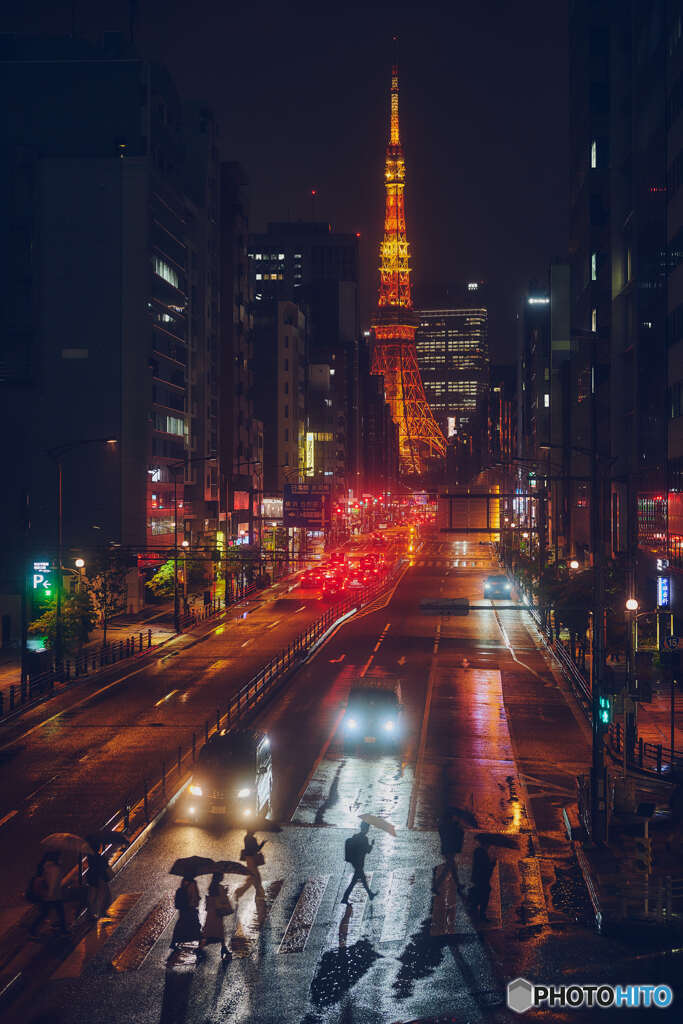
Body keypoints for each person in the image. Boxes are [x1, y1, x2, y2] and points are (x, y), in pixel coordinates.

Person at [29, 854, 68, 936]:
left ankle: (33, 929)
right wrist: (50, 895)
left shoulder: (47, 867)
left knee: (47, 913)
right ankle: (63, 929)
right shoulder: (55, 869)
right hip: (53, 895)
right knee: (56, 913)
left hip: (49, 894)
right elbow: (54, 883)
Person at [341, 822, 377, 903]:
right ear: (366, 829)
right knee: (354, 882)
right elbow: (368, 851)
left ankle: (370, 894)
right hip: (359, 863)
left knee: (360, 880)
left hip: (355, 862)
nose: (368, 830)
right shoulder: (365, 839)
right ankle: (344, 898)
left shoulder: (355, 836)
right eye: (368, 828)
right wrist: (372, 844)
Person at [201, 872, 233, 961]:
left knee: (211, 932)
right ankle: (223, 949)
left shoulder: (211, 887)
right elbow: (222, 899)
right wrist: (226, 892)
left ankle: (223, 948)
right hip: (218, 913)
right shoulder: (220, 888)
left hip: (211, 913)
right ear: (219, 878)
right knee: (218, 932)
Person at [432, 809, 465, 895]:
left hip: (447, 849)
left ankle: (458, 885)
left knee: (453, 868)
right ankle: (436, 886)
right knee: (447, 869)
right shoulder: (449, 827)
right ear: (449, 818)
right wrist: (458, 826)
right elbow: (457, 834)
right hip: (450, 849)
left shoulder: (444, 826)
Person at [170, 875, 201, 950]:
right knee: (195, 925)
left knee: (181, 925)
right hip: (190, 908)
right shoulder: (192, 883)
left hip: (183, 908)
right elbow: (193, 896)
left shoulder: (184, 882)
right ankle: (201, 945)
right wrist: (197, 899)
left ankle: (173, 942)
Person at [470, 836, 496, 921]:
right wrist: (493, 864)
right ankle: (481, 914)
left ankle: (473, 907)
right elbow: (486, 868)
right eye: (489, 844)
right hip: (483, 879)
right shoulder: (483, 854)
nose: (490, 846)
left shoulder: (477, 851)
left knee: (479, 893)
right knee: (485, 896)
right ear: (486, 844)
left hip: (477, 878)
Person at [235, 830, 266, 900]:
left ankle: (259, 892)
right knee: (255, 876)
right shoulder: (252, 839)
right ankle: (240, 892)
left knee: (253, 876)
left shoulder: (246, 837)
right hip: (252, 859)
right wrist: (262, 844)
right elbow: (256, 849)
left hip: (248, 859)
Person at [86, 844, 112, 920]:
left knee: (93, 895)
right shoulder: (99, 857)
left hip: (92, 876)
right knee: (105, 895)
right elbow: (105, 866)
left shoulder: (90, 857)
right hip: (100, 877)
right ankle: (101, 912)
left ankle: (91, 913)